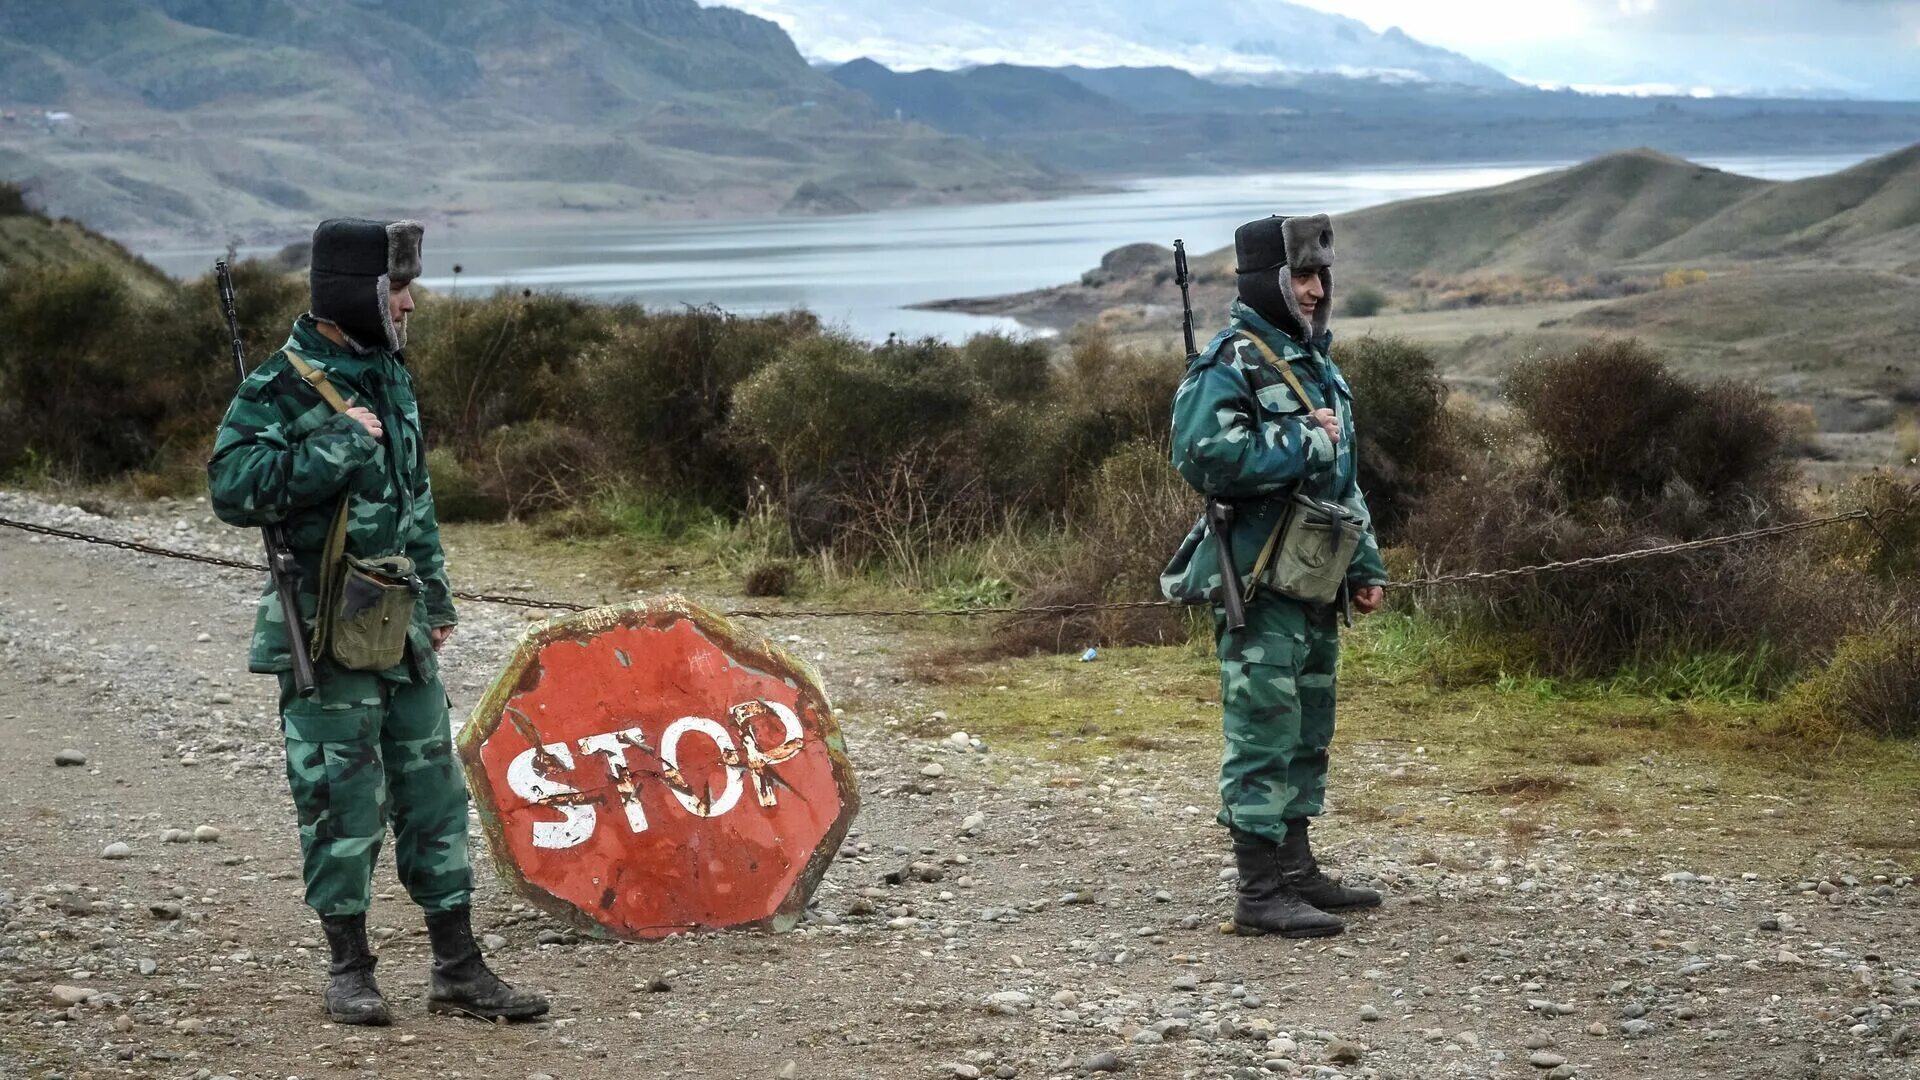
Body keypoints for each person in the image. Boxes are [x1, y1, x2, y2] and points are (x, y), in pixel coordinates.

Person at [208, 218, 547, 1024]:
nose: (412, 303)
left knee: (435, 794)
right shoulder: (278, 386)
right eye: (398, 289)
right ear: (356, 295)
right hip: (327, 632)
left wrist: (435, 601)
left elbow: (415, 498)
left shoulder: (389, 374)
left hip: (401, 629)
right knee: (340, 798)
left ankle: (458, 969)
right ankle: (349, 969)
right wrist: (331, 444)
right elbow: (231, 486)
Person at [1161, 214, 1389, 938]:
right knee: (1263, 727)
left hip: (1314, 578)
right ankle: (1259, 891)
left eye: (1321, 276)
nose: (1316, 290)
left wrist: (1364, 564)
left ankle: (1297, 870)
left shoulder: (1315, 360)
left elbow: (1342, 479)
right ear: (1269, 281)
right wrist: (1305, 441)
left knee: (1307, 722)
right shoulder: (1231, 359)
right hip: (1257, 581)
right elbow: (1202, 455)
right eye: (1301, 277)